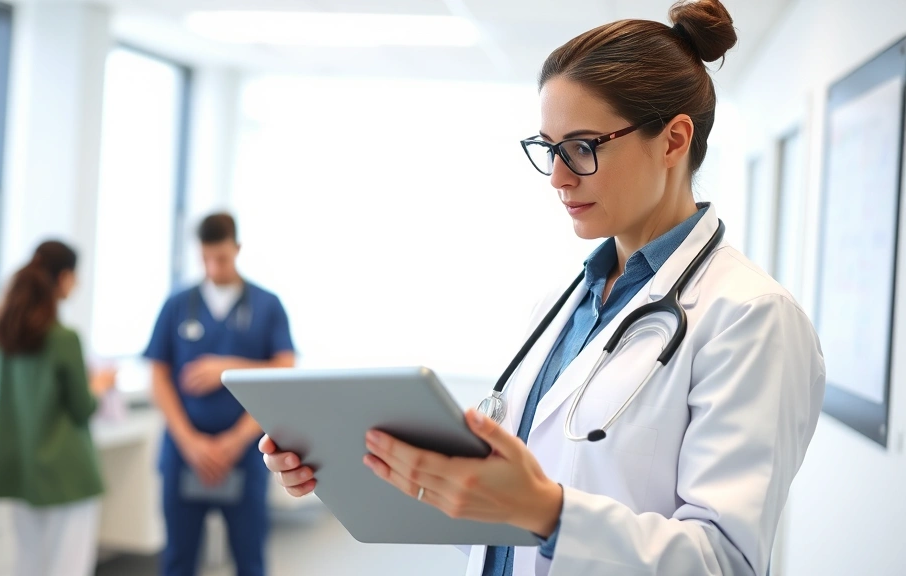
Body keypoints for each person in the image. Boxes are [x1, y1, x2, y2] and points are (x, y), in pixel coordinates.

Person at [260, 1, 826, 575]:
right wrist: (355, 467)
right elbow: (501, 522)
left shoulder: (751, 318)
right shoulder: (561, 306)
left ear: (674, 140)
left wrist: (547, 511)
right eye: (550, 149)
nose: (557, 177)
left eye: (582, 147)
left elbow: (725, 560)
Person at [145, 212, 296, 576]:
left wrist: (227, 370)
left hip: (246, 452)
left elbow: (285, 370)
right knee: (178, 560)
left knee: (250, 559)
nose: (213, 267)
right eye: (206, 258)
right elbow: (158, 376)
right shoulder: (178, 304)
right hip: (185, 453)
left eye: (222, 258)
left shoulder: (267, 305)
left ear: (238, 249)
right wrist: (190, 442)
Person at [0, 240, 116, 576]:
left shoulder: (3, 335)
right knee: (68, 567)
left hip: (23, 469)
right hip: (67, 473)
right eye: (76, 276)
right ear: (63, 278)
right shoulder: (64, 338)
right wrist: (99, 386)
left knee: (28, 564)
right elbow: (82, 407)